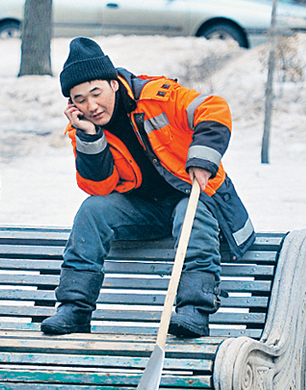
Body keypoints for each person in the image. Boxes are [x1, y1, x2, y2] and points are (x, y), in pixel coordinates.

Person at [40, 37, 254, 338]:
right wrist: (90, 138)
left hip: (195, 194)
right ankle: (74, 309)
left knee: (187, 213)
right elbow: (99, 188)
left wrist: (202, 158)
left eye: (96, 93)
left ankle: (194, 310)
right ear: (71, 104)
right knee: (92, 210)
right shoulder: (84, 129)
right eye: (80, 99)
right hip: (146, 210)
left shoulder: (158, 96)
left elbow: (214, 109)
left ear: (113, 83)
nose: (91, 106)